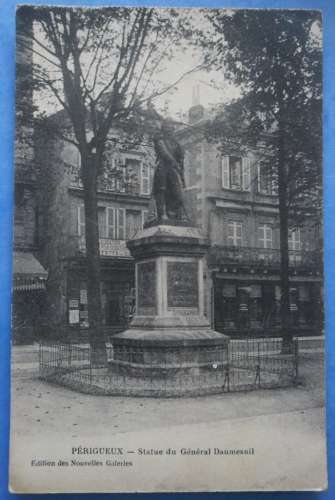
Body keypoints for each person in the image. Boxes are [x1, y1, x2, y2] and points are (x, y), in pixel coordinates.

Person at [152, 119, 186, 222]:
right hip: (163, 166)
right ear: (163, 128)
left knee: (178, 194)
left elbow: (180, 157)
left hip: (173, 169)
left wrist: (180, 167)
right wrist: (175, 163)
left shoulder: (176, 143)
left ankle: (173, 214)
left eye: (171, 127)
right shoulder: (159, 139)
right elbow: (164, 152)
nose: (169, 129)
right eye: (167, 126)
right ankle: (161, 214)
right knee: (161, 191)